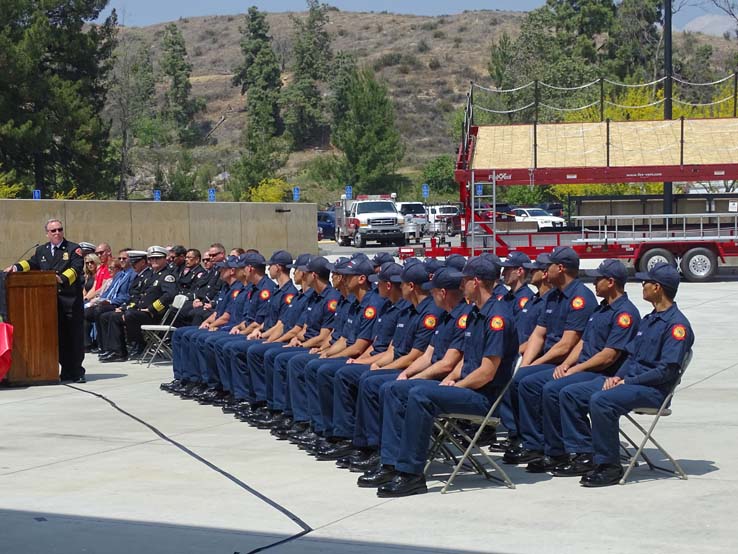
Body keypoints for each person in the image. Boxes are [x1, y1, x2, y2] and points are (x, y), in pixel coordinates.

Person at [558, 262, 694, 487]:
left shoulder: (676, 326)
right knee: (571, 393)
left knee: (601, 401)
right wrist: (616, 377)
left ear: (657, 287)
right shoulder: (649, 320)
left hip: (653, 390)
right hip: (628, 382)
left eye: (646, 282)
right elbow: (631, 357)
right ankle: (584, 454)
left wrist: (626, 381)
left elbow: (666, 371)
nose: (642, 285)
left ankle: (609, 466)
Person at [515, 259, 641, 473]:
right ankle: (546, 447)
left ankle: (578, 452)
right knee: (528, 382)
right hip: (585, 368)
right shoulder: (602, 309)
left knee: (555, 390)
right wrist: (566, 365)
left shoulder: (624, 313)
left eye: (598, 278)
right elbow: (582, 343)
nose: (594, 282)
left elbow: (608, 356)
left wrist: (574, 369)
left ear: (610, 282)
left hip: (601, 373)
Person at [503, 246, 597, 464]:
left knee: (532, 383)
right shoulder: (553, 297)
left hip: (568, 362)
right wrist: (526, 365)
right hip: (550, 360)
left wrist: (536, 364)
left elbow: (567, 344)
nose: (545, 271)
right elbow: (538, 334)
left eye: (549, 266)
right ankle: (531, 441)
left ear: (560, 268)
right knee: (518, 379)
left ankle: (550, 447)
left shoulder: (579, 298)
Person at [3, 218, 86, 382]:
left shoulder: (73, 249)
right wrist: (16, 267)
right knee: (58, 338)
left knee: (73, 337)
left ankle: (77, 371)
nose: (57, 233)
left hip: (69, 300)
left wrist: (61, 278)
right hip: (48, 303)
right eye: (53, 230)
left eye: (59, 229)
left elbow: (76, 269)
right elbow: (32, 263)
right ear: (47, 233)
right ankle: (64, 370)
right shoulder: (42, 250)